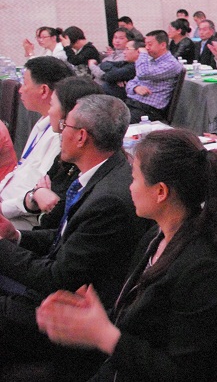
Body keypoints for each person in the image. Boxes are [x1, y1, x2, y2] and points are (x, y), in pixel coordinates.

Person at [32, 128, 217, 380]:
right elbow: (136, 325)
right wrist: (88, 322)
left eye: (134, 179)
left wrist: (104, 334)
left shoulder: (202, 266)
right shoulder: (156, 237)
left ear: (161, 192)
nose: (129, 187)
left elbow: (182, 373)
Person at [0, 96, 148, 368]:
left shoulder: (109, 200)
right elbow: (66, 238)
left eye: (64, 125)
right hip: (57, 296)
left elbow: (56, 278)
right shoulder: (104, 173)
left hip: (66, 317)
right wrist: (15, 237)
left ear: (81, 137)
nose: (59, 132)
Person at [21, 77, 104, 230]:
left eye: (52, 105)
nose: (49, 111)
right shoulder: (66, 155)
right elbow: (37, 190)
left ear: (69, 114)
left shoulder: (85, 162)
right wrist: (36, 194)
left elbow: (54, 219)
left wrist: (42, 197)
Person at [0, 57, 73, 220]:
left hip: (20, 219)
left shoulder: (60, 134)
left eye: (25, 84)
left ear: (44, 90)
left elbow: (39, 193)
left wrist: (3, 208)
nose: (20, 90)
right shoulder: (43, 122)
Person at [124, 30, 184, 123]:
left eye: (150, 44)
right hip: (133, 104)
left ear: (163, 45)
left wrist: (143, 54)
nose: (146, 48)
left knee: (116, 125)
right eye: (146, 45)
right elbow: (130, 83)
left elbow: (142, 74)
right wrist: (136, 88)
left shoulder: (171, 64)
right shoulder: (150, 61)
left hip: (149, 110)